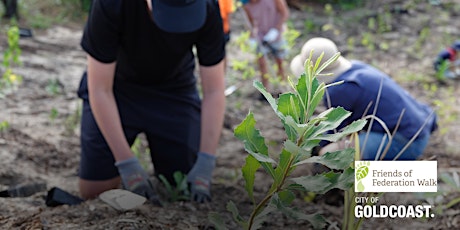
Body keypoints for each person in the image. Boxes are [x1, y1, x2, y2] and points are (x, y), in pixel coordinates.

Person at [77, 0, 226, 204]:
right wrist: (126, 163)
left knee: (181, 183)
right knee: (94, 190)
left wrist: (206, 162)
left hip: (173, 91)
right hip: (117, 89)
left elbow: (214, 89)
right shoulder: (111, 4)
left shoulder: (208, 6)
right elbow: (100, 89)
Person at [290, 37, 438, 161]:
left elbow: (334, 131)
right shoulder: (356, 67)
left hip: (407, 143)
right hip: (420, 125)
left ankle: (391, 180)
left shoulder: (338, 90)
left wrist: (313, 149)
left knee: (328, 155)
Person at [242, 0, 289, 95]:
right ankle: (265, 91)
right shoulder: (247, 4)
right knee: (262, 63)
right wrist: (252, 37)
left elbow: (284, 13)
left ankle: (283, 89)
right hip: (261, 36)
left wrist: (276, 29)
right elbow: (251, 22)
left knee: (280, 62)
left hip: (277, 34)